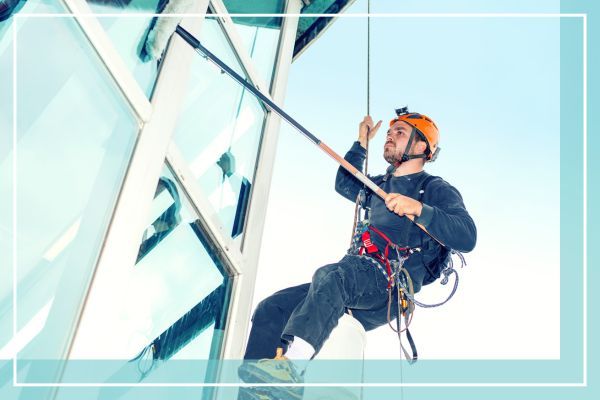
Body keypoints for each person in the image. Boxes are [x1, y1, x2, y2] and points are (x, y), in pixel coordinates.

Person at [238, 109, 477, 397]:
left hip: (387, 284)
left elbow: (467, 235)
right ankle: (258, 391)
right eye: (389, 133)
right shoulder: (379, 186)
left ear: (421, 147)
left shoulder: (433, 189)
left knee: (332, 275)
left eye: (399, 132)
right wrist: (361, 143)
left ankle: (290, 368)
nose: (389, 137)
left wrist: (418, 209)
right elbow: (345, 184)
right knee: (272, 308)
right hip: (353, 278)